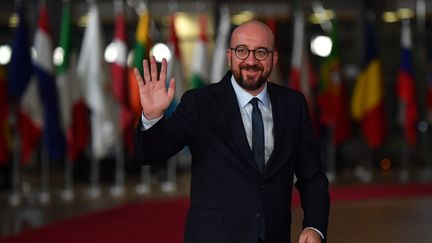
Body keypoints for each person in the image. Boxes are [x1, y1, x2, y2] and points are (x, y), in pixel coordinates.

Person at [134, 20, 330, 243]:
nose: (251, 60)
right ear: (229, 55)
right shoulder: (199, 103)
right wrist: (152, 117)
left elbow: (312, 177)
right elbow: (149, 154)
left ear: (274, 59)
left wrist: (315, 227)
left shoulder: (293, 104)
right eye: (242, 51)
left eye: (261, 52)